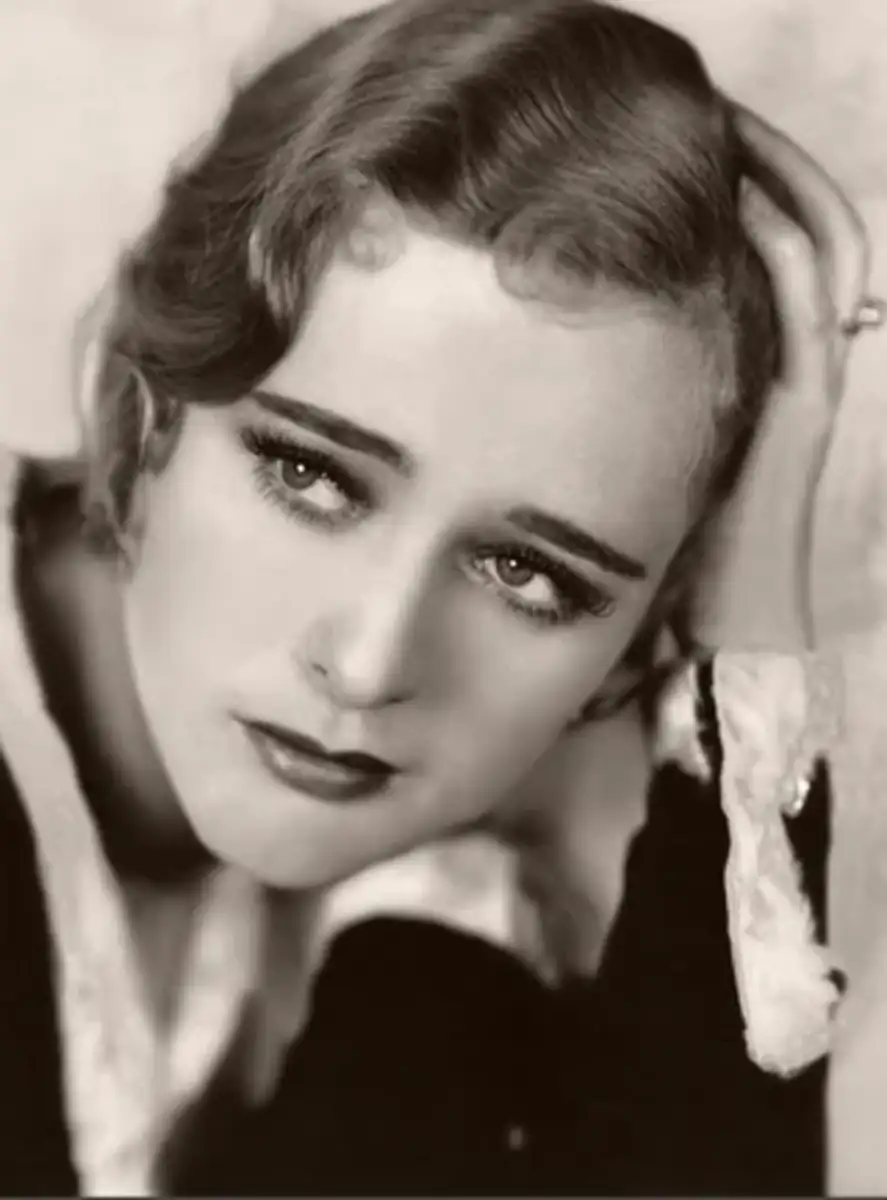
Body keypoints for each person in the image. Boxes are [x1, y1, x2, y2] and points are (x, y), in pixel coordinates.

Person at [0, 0, 877, 1194]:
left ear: (631, 647)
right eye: (308, 474)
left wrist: (748, 625)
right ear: (150, 415)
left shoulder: (444, 945)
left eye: (529, 573)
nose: (365, 666)